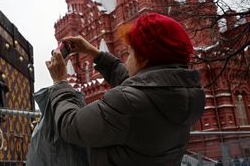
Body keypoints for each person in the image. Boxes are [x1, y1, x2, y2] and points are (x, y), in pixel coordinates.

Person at [45, 13, 206, 166]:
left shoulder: (128, 104)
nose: (127, 60)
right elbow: (141, 87)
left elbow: (70, 126)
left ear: (143, 59)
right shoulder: (187, 96)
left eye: (129, 53)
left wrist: (60, 82)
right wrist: (95, 53)